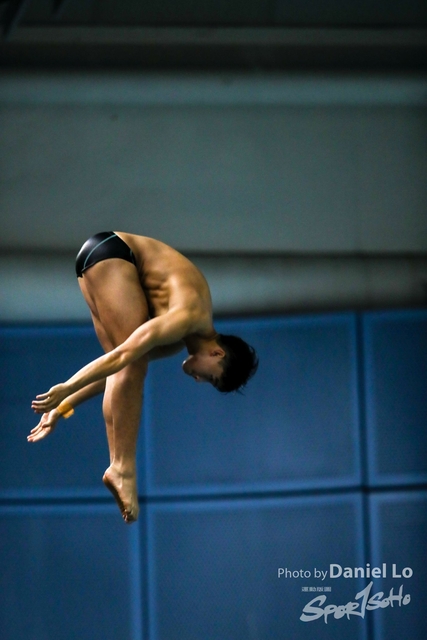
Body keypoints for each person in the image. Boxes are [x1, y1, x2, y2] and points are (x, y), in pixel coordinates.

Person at [29, 232, 258, 523]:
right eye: (211, 379)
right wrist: (68, 385)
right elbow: (124, 357)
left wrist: (63, 406)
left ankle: (118, 466)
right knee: (131, 363)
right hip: (114, 255)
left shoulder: (176, 339)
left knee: (126, 366)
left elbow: (114, 365)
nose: (199, 380)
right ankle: (122, 468)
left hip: (96, 260)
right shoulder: (187, 318)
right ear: (217, 353)